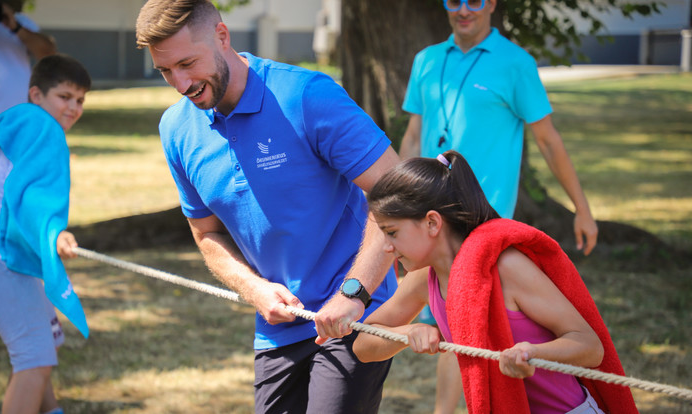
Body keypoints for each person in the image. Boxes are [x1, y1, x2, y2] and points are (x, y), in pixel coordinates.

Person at [135, 1, 400, 412]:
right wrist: (253, 288)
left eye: (188, 63)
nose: (180, 82)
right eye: (166, 70)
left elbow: (396, 195)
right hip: (278, 327)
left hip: (356, 311)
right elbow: (206, 234)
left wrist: (355, 292)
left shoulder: (306, 96)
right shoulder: (176, 129)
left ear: (222, 36)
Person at [399, 1, 599, 410]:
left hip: (481, 222)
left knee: (469, 323)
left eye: (474, 0)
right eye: (454, 0)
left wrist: (582, 207)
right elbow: (413, 135)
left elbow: (548, 139)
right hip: (431, 218)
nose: (463, 9)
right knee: (449, 322)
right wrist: (400, 205)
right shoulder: (426, 60)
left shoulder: (516, 62)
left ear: (491, 3)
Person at [353, 150, 638, 414]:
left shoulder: (505, 268)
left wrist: (534, 353)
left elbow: (590, 346)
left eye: (392, 232)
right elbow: (362, 345)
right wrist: (407, 333)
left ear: (432, 223)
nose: (387, 247)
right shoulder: (423, 279)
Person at [0, 54, 91, 414]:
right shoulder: (44, 129)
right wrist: (53, 233)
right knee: (34, 358)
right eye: (64, 97)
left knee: (46, 341)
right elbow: (29, 195)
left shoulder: (16, 120)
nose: (73, 108)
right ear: (36, 94)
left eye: (80, 100)